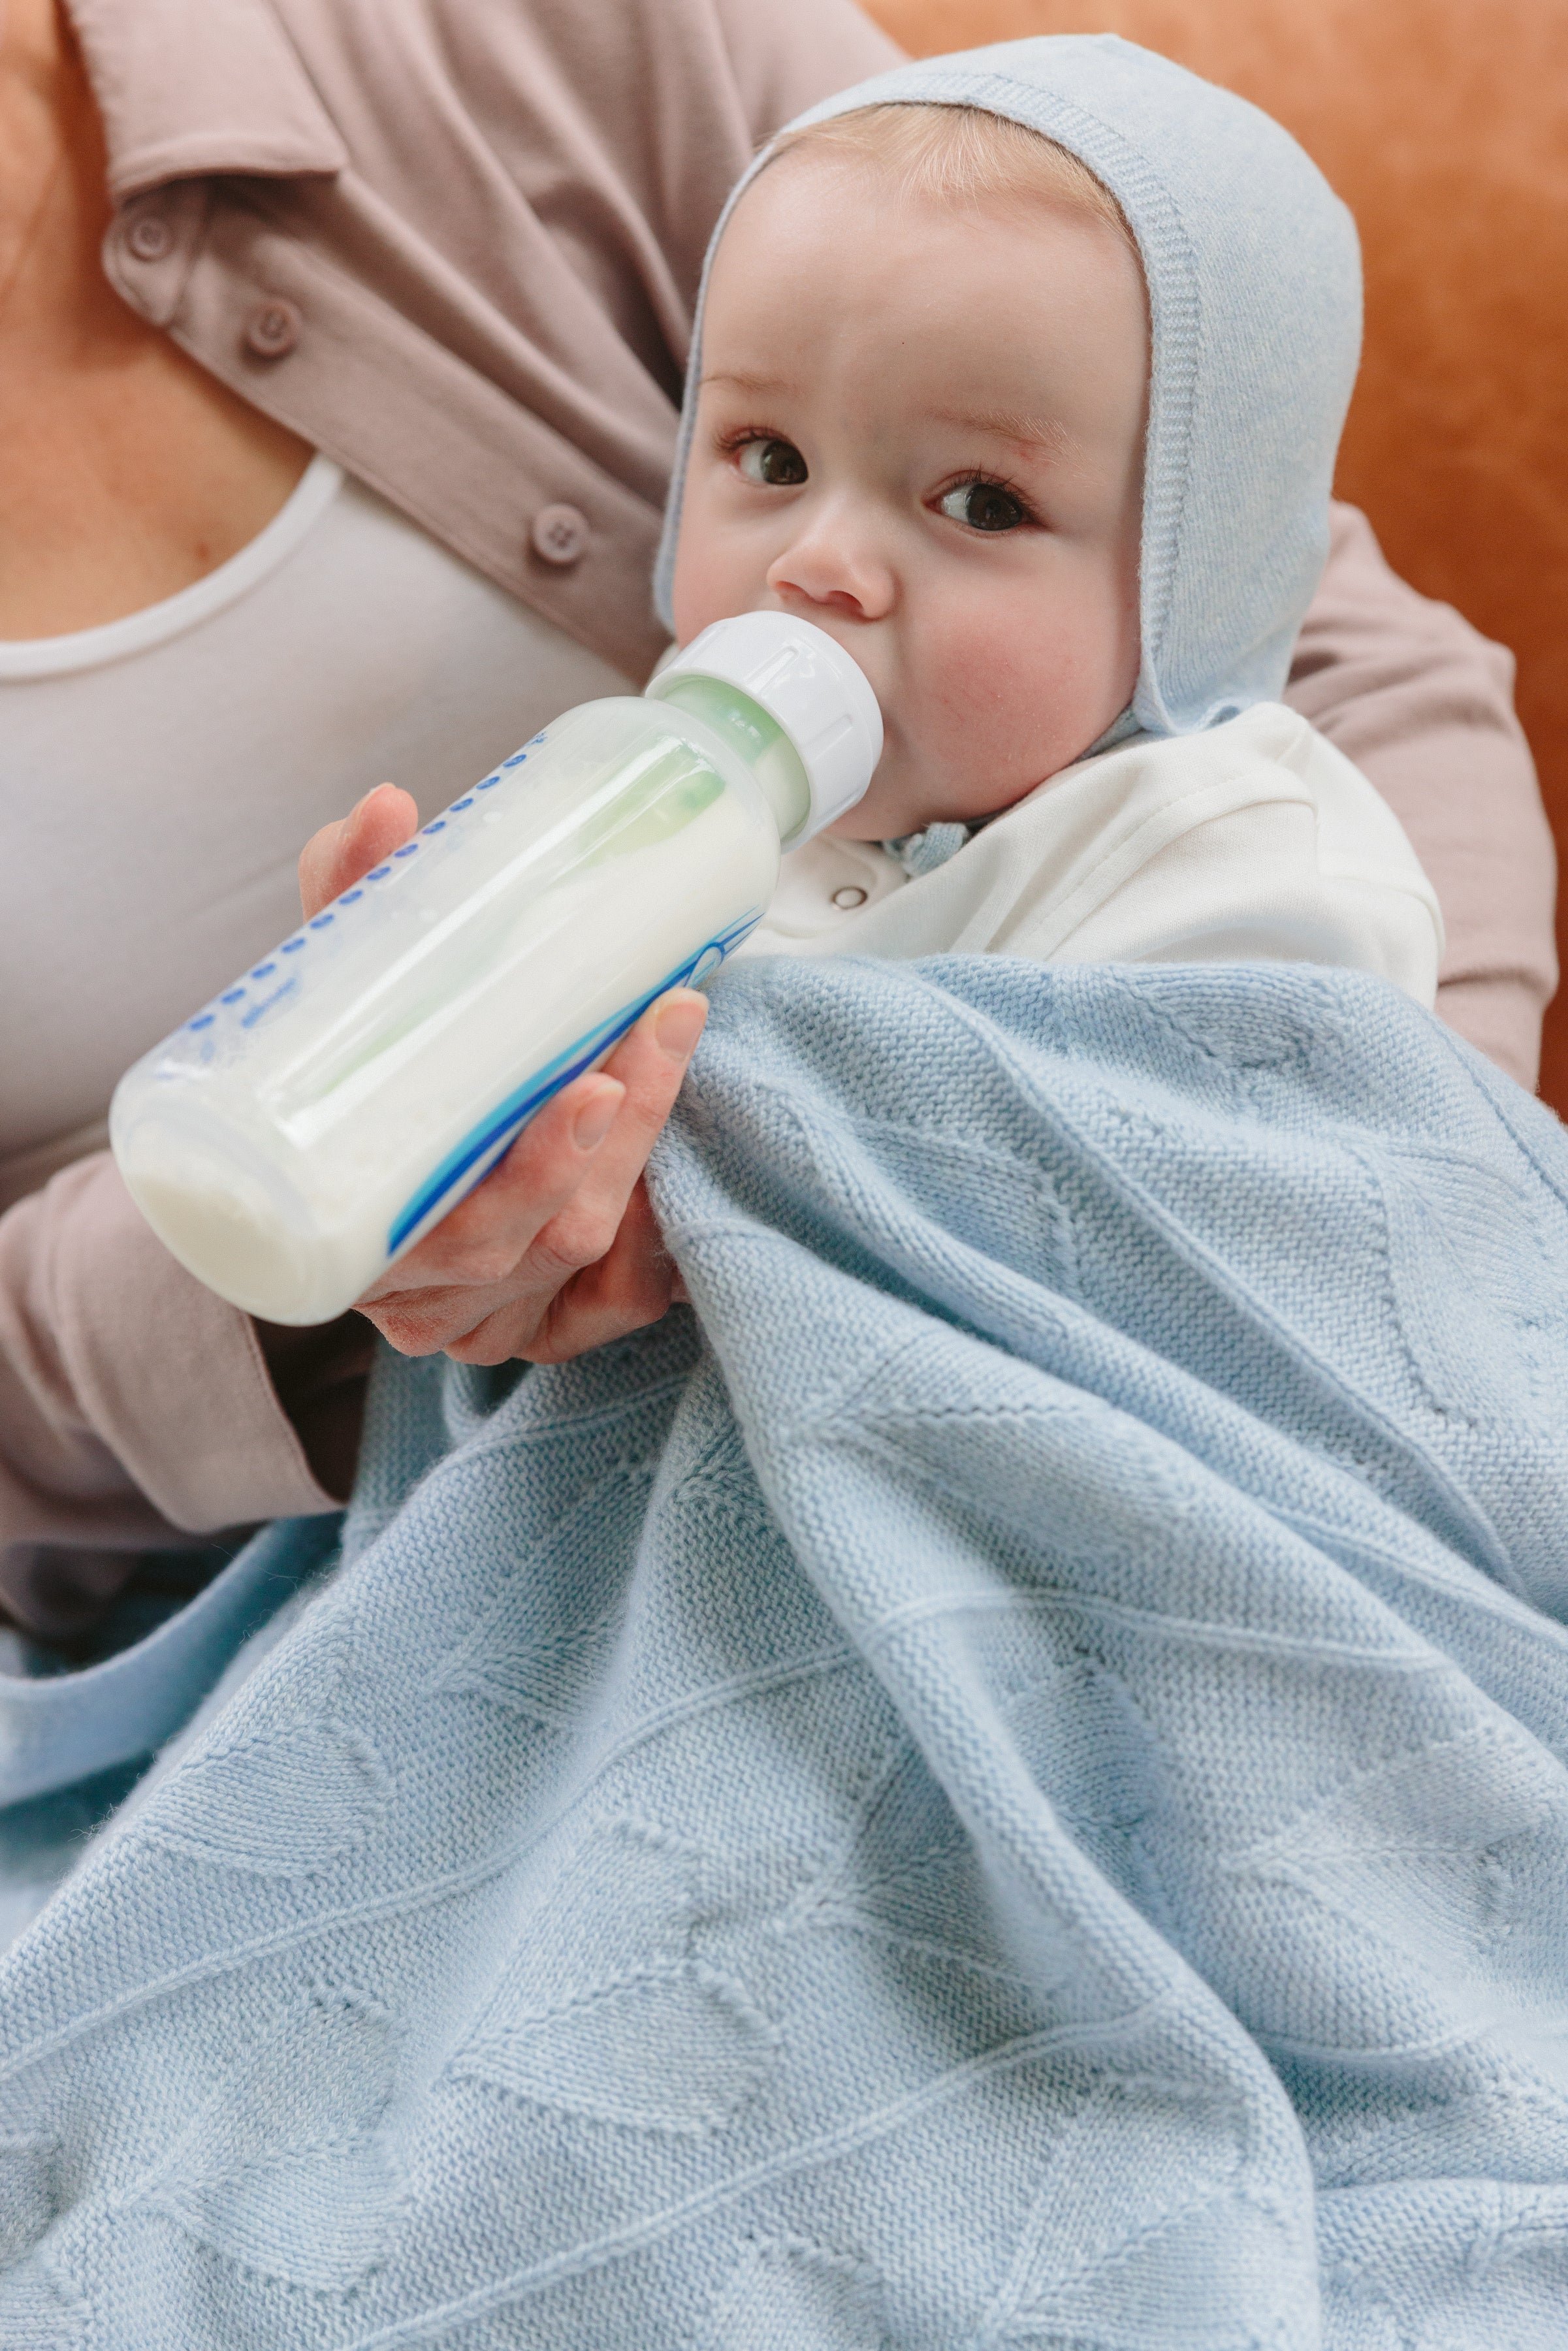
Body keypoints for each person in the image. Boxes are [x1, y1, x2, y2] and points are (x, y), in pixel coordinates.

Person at [0, 0, 1554, 1650]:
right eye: (763, 455)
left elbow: (1298, 1234)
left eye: (977, 503)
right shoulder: (695, 844)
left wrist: (726, 1155)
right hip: (518, 1578)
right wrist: (435, 1116)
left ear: (1191, 600)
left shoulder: (1221, 858)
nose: (819, 563)